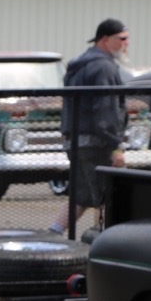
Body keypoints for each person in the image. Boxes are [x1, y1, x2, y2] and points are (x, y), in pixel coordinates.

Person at [52, 18, 129, 234]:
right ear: (104, 39)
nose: (126, 44)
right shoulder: (103, 67)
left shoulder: (78, 65)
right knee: (110, 194)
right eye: (122, 39)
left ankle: (52, 233)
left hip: (74, 141)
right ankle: (107, 241)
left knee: (81, 195)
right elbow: (107, 111)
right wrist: (115, 146)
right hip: (97, 143)